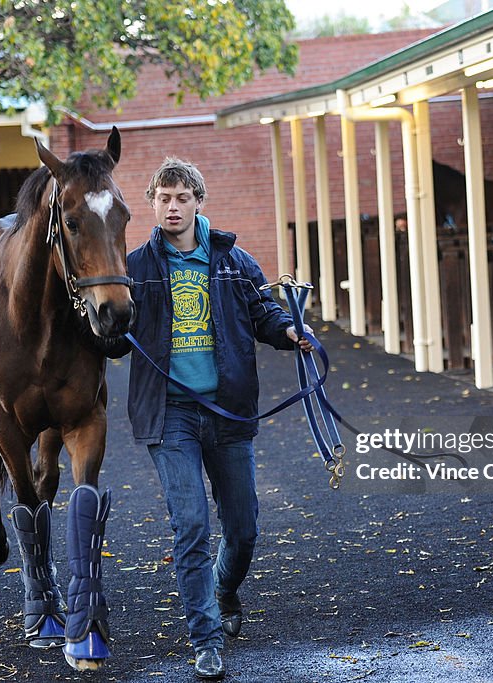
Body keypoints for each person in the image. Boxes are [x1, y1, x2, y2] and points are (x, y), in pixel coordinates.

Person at [106, 157, 313, 680]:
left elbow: (265, 313)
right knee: (192, 525)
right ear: (151, 203)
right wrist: (96, 323)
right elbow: (112, 338)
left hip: (227, 412)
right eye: (163, 198)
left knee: (242, 529)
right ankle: (206, 638)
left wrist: (290, 331)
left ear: (198, 201)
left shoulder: (234, 261)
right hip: (170, 414)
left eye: (182, 198)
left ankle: (224, 589)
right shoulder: (135, 268)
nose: (172, 207)